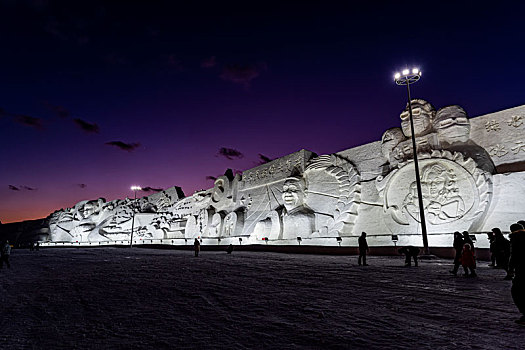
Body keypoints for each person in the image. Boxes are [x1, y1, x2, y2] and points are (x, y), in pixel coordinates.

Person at [509, 223, 525, 325]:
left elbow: (514, 255)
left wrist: (510, 267)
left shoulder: (516, 239)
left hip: (522, 270)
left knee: (517, 292)